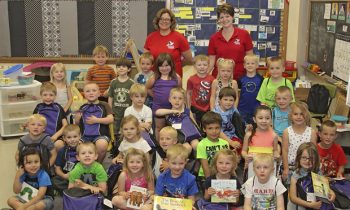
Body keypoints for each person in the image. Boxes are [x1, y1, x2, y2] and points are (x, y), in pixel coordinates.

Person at [208, 3, 253, 79]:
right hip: (220, 79)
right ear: (218, 19)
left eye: (227, 16)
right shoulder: (214, 38)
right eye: (221, 17)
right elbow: (211, 63)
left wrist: (251, 76)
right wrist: (201, 76)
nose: (224, 19)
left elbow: (250, 58)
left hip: (240, 78)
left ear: (232, 17)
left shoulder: (244, 34)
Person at [144, 8, 192, 77]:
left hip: (174, 78)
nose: (164, 21)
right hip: (155, 78)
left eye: (167, 19)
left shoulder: (179, 37)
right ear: (157, 21)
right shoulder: (150, 38)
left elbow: (189, 60)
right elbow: (146, 59)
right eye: (161, 19)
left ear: (171, 22)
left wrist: (175, 65)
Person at [146, 53, 182, 142]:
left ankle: (172, 148)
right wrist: (155, 96)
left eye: (166, 65)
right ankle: (160, 148)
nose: (164, 68)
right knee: (159, 129)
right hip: (159, 107)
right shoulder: (154, 78)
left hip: (173, 108)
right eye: (161, 66)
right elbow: (147, 88)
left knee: (173, 130)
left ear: (171, 65)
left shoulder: (176, 77)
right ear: (157, 67)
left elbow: (180, 92)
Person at [288, 142, 336, 210]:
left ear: (315, 159)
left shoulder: (317, 171)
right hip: (300, 205)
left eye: (311, 158)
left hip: (315, 204)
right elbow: (293, 198)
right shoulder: (296, 175)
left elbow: (325, 188)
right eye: (304, 157)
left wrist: (332, 193)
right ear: (299, 158)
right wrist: (309, 205)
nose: (307, 161)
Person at [75, 82, 114, 163]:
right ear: (84, 94)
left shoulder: (104, 105)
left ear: (99, 93)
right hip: (84, 136)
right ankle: (84, 166)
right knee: (75, 144)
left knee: (101, 145)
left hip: (101, 135)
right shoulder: (82, 107)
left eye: (94, 90)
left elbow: (111, 119)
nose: (91, 93)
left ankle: (97, 165)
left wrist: (97, 120)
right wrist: (77, 119)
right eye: (88, 91)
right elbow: (77, 125)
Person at [156, 87, 200, 154]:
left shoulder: (187, 111)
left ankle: (200, 161)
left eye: (180, 98)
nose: (177, 100)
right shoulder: (168, 112)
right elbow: (157, 112)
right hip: (178, 138)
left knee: (196, 145)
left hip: (190, 134)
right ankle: (182, 162)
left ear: (184, 101)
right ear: (169, 99)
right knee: (187, 148)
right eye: (174, 98)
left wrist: (199, 132)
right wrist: (172, 111)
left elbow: (194, 123)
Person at [282, 102, 317, 184]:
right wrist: (286, 168)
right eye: (295, 114)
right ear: (291, 116)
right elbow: (285, 151)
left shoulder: (312, 132)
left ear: (307, 116)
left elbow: (313, 152)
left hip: (306, 167)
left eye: (302, 114)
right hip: (291, 167)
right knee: (290, 192)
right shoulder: (287, 132)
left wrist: (313, 169)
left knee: (305, 191)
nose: (299, 117)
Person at [34, 82, 68, 150]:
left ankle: (56, 160)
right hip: (40, 136)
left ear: (55, 96)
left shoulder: (58, 108)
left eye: (51, 95)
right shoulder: (38, 107)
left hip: (56, 137)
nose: (48, 97)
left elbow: (65, 125)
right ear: (41, 95)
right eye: (45, 95)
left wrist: (56, 136)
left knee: (59, 144)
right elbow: (33, 122)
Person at [197, 111, 229, 178]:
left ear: (221, 128)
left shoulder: (225, 143)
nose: (214, 131)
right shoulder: (201, 145)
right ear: (204, 129)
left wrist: (235, 179)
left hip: (222, 175)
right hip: (205, 176)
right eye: (210, 128)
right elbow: (205, 169)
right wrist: (210, 183)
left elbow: (228, 163)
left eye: (217, 128)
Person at [108, 57, 135, 137]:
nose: (121, 68)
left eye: (123, 66)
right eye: (119, 67)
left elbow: (133, 98)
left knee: (126, 130)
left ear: (129, 69)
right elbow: (110, 97)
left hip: (127, 112)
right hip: (116, 112)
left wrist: (132, 110)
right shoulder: (113, 82)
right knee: (115, 131)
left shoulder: (131, 83)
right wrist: (110, 110)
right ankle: (115, 145)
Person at [186, 54, 215, 126]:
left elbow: (214, 95)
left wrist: (213, 108)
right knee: (196, 126)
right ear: (194, 66)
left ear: (208, 65)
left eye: (204, 65)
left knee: (207, 125)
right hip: (195, 107)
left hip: (208, 108)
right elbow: (188, 93)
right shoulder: (191, 79)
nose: (202, 67)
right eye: (199, 65)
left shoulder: (212, 79)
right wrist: (188, 108)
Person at [52, 124, 80, 193]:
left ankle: (69, 190)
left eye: (75, 136)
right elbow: (57, 168)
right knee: (54, 181)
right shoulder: (62, 150)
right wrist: (64, 176)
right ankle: (72, 190)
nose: (72, 140)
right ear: (64, 138)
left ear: (80, 136)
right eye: (69, 137)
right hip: (67, 175)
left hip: (80, 176)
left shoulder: (84, 149)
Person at [213, 87, 242, 152]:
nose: (228, 102)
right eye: (225, 99)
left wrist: (247, 127)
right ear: (219, 100)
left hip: (233, 135)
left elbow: (240, 123)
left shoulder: (234, 110)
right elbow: (218, 131)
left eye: (231, 100)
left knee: (240, 146)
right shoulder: (215, 112)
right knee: (224, 150)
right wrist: (231, 142)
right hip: (219, 137)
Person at [237, 54, 263, 125]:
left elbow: (262, 94)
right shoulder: (240, 79)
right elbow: (238, 94)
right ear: (244, 65)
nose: (250, 65)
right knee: (242, 128)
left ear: (257, 65)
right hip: (242, 109)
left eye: (252, 63)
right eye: (247, 63)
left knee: (255, 129)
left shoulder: (261, 79)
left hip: (256, 109)